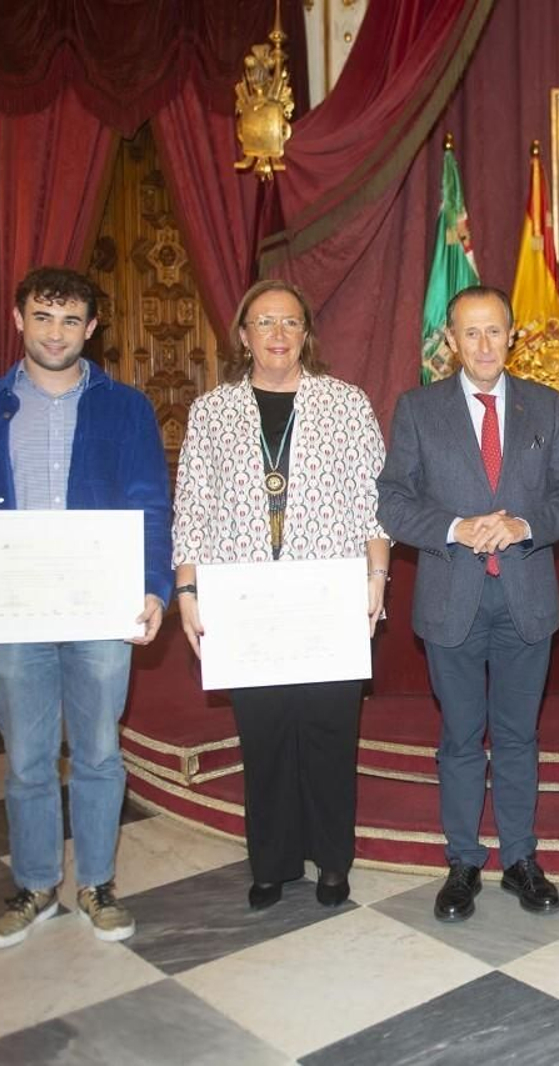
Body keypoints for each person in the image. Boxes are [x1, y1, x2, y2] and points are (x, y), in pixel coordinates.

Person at [0, 266, 171, 948]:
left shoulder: (127, 409)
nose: (54, 332)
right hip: (10, 610)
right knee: (28, 755)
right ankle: (35, 886)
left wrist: (154, 587)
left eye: (69, 321)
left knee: (97, 749)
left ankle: (96, 883)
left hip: (100, 605)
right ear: (18, 319)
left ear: (91, 328)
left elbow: (151, 503)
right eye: (42, 317)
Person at [173, 278, 390, 910]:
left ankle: (332, 860)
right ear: (243, 335)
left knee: (328, 732)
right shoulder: (212, 412)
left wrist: (376, 582)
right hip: (244, 603)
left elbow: (373, 501)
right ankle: (270, 860)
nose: (277, 334)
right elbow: (192, 508)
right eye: (263, 322)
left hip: (329, 594)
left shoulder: (345, 404)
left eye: (289, 322)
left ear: (305, 334)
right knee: (263, 736)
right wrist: (188, 589)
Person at [377, 285, 559, 922]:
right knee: (462, 738)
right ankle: (463, 862)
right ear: (450, 342)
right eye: (471, 333)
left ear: (513, 335)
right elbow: (392, 500)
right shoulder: (417, 409)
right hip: (452, 600)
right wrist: (454, 528)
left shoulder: (547, 409)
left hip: (525, 599)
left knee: (520, 737)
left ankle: (521, 859)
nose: (484, 344)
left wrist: (523, 525)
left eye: (494, 331)